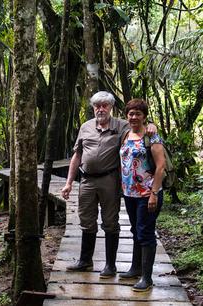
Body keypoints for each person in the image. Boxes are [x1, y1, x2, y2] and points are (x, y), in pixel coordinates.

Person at [61, 91, 156, 278]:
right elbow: (77, 155)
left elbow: (140, 126)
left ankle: (110, 265)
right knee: (86, 220)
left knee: (110, 221)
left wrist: (152, 125)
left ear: (111, 107)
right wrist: (68, 183)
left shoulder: (122, 126)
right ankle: (85, 260)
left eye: (105, 105)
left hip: (109, 179)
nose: (101, 109)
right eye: (97, 105)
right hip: (86, 180)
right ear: (93, 107)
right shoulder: (86, 127)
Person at [118, 98, 166, 292]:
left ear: (144, 116)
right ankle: (135, 268)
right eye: (131, 113)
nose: (134, 117)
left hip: (148, 193)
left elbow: (161, 166)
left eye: (138, 113)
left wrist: (154, 193)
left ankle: (147, 278)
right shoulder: (125, 134)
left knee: (145, 232)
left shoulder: (152, 136)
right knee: (136, 230)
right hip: (129, 193)